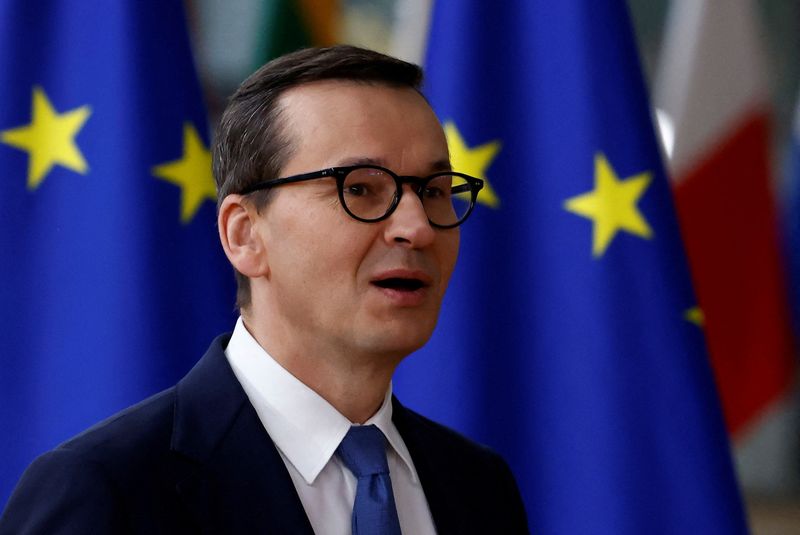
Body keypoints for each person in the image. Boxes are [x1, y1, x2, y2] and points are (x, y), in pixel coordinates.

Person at [0, 45, 528, 534]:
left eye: (434, 191)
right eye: (361, 188)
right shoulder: (106, 492)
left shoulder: (478, 486)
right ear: (244, 234)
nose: (417, 228)